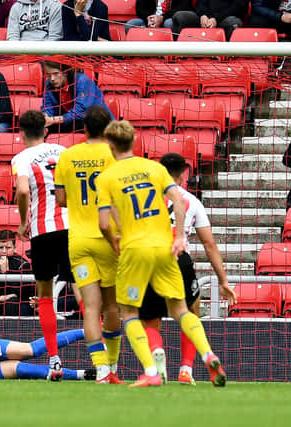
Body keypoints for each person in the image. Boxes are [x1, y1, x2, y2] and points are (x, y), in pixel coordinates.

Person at [97, 120, 227, 387]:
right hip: (165, 249)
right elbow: (179, 200)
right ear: (134, 142)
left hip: (135, 250)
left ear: (110, 145)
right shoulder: (154, 169)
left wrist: (115, 241)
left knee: (130, 313)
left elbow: (103, 223)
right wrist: (179, 236)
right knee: (181, 309)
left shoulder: (107, 177)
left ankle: (151, 371)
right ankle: (207, 353)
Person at [139, 153, 237, 385]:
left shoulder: (145, 197)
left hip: (150, 258)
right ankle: (186, 369)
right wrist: (223, 281)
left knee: (150, 319)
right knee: (189, 313)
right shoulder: (192, 201)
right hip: (180, 259)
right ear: (184, 173)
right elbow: (209, 244)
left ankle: (155, 360)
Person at [54, 105, 123, 384]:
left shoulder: (68, 155)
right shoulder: (114, 156)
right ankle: (114, 366)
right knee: (112, 307)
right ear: (108, 130)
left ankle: (101, 369)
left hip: (79, 240)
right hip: (108, 237)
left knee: (90, 308)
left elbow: (60, 200)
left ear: (84, 129)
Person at [11, 110, 74, 381]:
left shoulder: (21, 158)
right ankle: (102, 357)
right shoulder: (64, 151)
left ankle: (54, 360)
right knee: (82, 289)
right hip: (73, 227)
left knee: (45, 295)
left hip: (42, 231)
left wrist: (23, 221)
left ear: (22, 133)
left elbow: (23, 190)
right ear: (45, 130)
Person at [248, 0, 291, 79]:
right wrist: (279, 16)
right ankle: (259, 64)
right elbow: (257, 6)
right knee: (256, 21)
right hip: (272, 17)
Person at [42, 60, 113, 134]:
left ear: (65, 72)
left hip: (98, 124)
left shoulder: (82, 80)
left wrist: (54, 120)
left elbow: (81, 111)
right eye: (48, 75)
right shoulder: (49, 84)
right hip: (72, 122)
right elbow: (48, 106)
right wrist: (45, 116)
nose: (52, 78)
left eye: (56, 73)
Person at [0, 230, 34, 316]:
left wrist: (6, 273)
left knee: (12, 302)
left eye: (8, 248)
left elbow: (21, 293)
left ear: (14, 247)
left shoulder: (23, 264)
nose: (4, 251)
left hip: (16, 304)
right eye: (0, 248)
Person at [172, 0, 248, 41]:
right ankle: (177, 53)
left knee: (233, 22)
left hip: (223, 19)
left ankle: (226, 55)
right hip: (205, 19)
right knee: (180, 16)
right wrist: (203, 15)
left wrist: (216, 19)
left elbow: (238, 8)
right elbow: (200, 3)